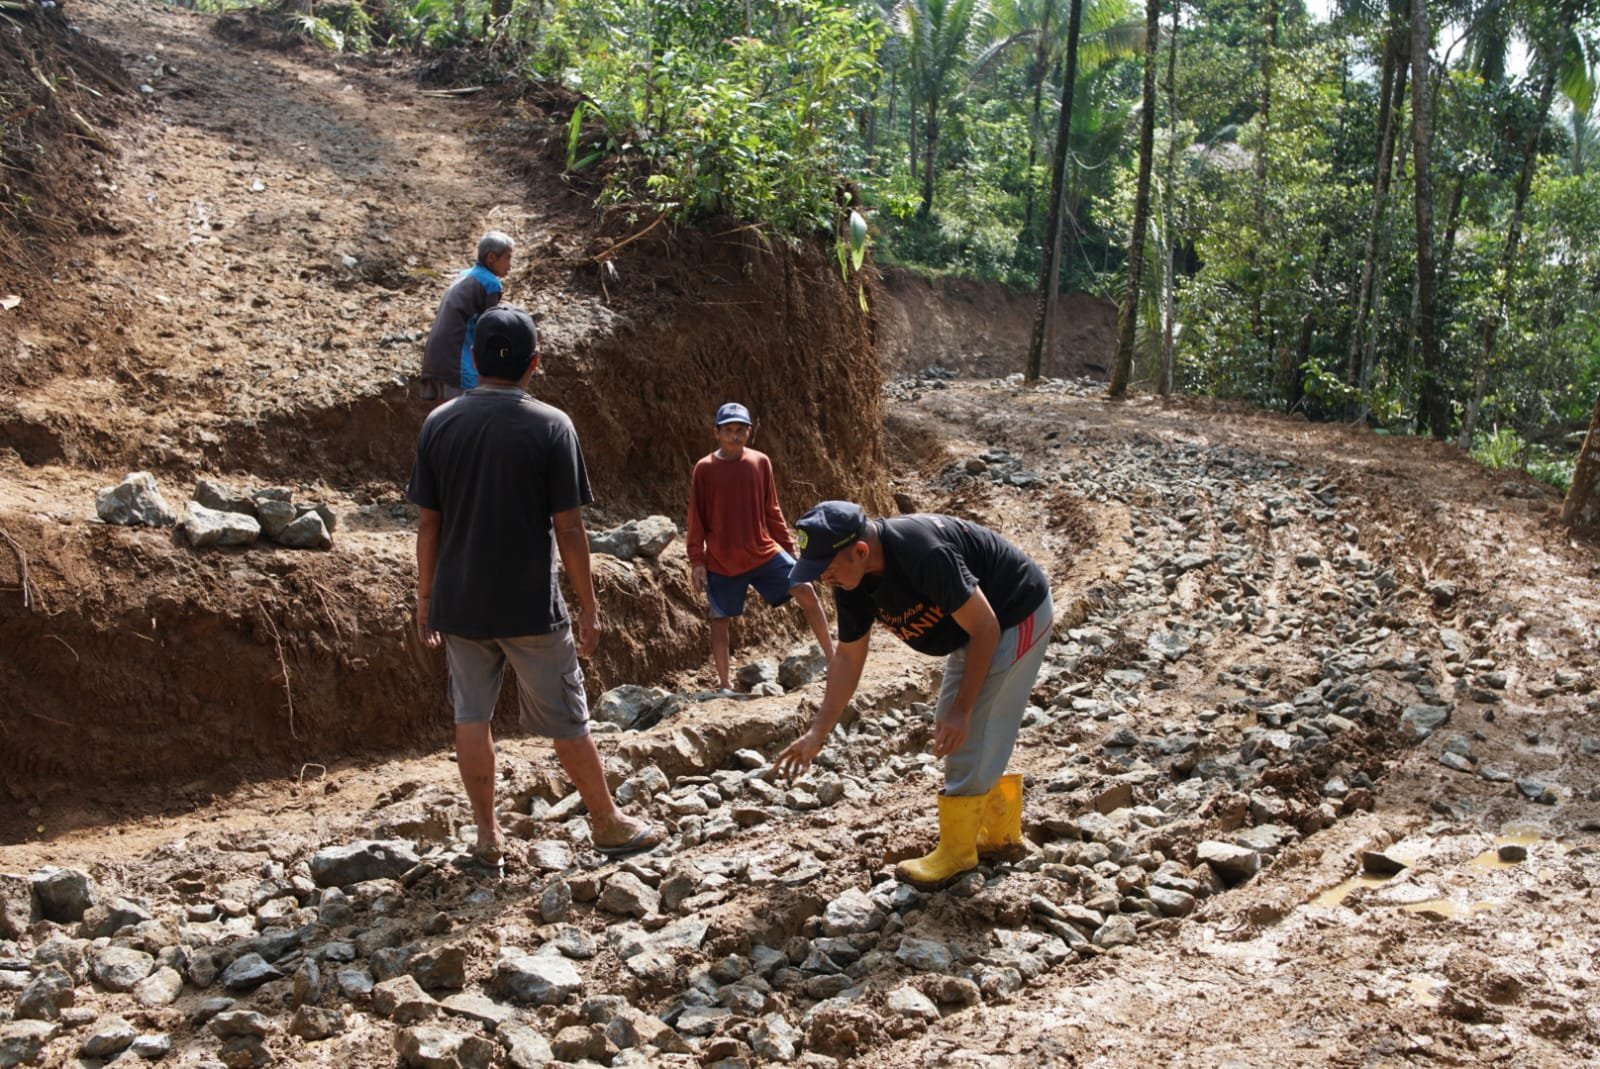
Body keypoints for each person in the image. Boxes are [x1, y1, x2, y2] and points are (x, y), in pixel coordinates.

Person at [407, 304, 661, 864]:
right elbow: (569, 527)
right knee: (567, 719)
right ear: (535, 363)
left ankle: (487, 838)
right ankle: (607, 823)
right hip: (529, 605)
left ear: (473, 360)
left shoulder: (439, 423)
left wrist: (426, 598)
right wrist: (589, 605)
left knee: (470, 716)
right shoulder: (551, 425)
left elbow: (430, 523)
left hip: (461, 602)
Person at [774, 501, 1052, 889]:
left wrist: (963, 708)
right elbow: (849, 657)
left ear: (860, 551)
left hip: (1015, 613)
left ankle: (959, 853)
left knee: (968, 729)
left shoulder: (923, 553)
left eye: (828, 566)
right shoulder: (851, 579)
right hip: (972, 631)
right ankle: (1000, 837)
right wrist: (818, 732)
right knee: (956, 727)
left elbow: (986, 626)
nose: (824, 577)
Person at [686, 402, 834, 693]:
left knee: (804, 588)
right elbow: (696, 518)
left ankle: (833, 658)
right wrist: (697, 560)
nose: (734, 436)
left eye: (740, 430)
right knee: (720, 619)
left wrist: (791, 552)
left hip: (763, 551)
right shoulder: (704, 469)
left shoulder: (760, 462)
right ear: (716, 433)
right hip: (722, 558)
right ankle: (725, 685)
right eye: (728, 430)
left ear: (749, 432)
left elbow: (772, 511)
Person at [418, 231, 514, 404]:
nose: (510, 265)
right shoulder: (490, 283)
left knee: (444, 418)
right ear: (491, 258)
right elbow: (490, 328)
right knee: (466, 415)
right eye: (507, 258)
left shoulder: (465, 275)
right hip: (457, 360)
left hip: (436, 357)